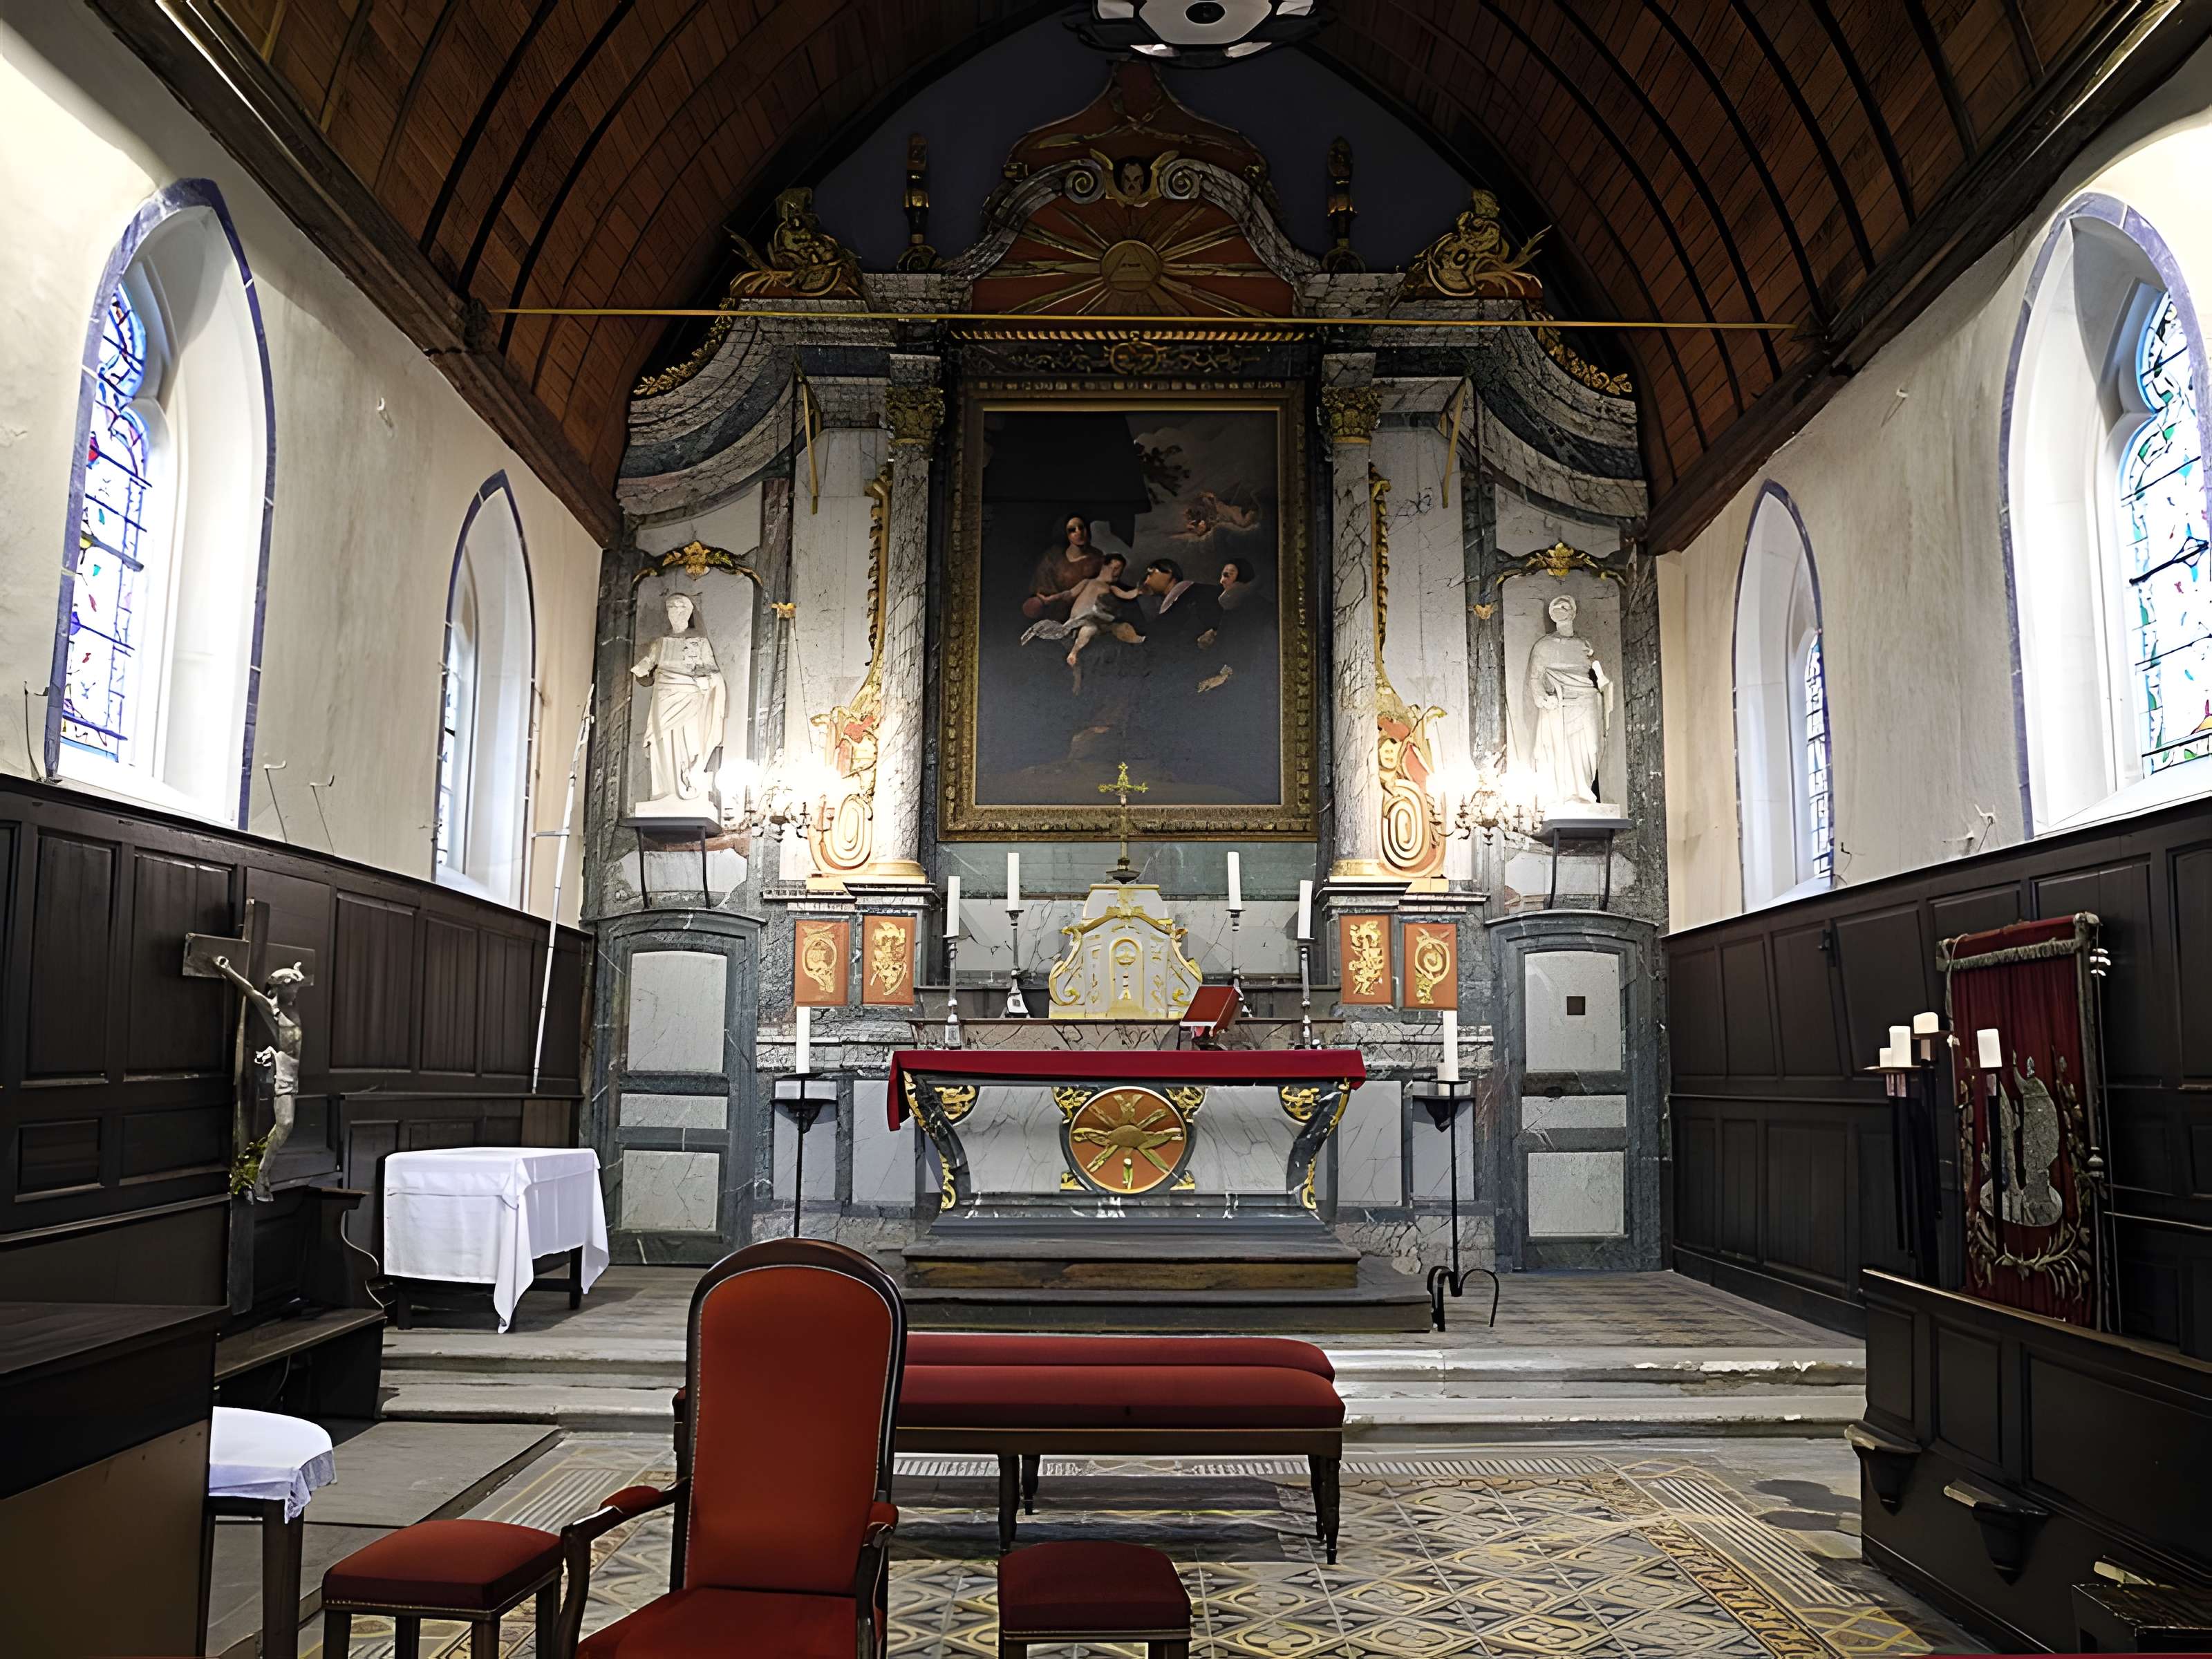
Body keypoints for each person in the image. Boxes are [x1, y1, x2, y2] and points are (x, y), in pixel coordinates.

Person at [632, 592, 727, 808]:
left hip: (690, 697)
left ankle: (688, 784)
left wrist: (707, 681)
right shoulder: (660, 644)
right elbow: (646, 667)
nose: (677, 612)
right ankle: (663, 792)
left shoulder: (700, 643)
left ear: (689, 613)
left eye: (681, 608)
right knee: (663, 742)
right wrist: (640, 671)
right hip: (664, 699)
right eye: (672, 608)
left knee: (690, 741)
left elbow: (714, 673)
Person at [1525, 592, 1614, 808]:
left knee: (1591, 748)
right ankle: (1566, 795)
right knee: (1561, 749)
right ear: (1551, 615)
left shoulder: (1584, 644)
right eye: (1556, 608)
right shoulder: (1544, 646)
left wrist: (1602, 676)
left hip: (1586, 698)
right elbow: (1535, 678)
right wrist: (1544, 699)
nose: (1560, 611)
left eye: (1565, 607)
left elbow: (1600, 672)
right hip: (1560, 703)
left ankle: (1585, 792)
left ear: (1573, 613)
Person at [1020, 552, 1145, 686]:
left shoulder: (1112, 588)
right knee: (1054, 630)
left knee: (1090, 628)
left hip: (1089, 620)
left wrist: (1138, 591)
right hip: (1074, 619)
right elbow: (1069, 593)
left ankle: (1074, 654)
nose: (1116, 572)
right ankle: (1032, 634)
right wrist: (1050, 599)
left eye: (1119, 570)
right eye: (1113, 568)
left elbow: (1127, 595)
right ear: (1104, 566)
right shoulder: (1087, 582)